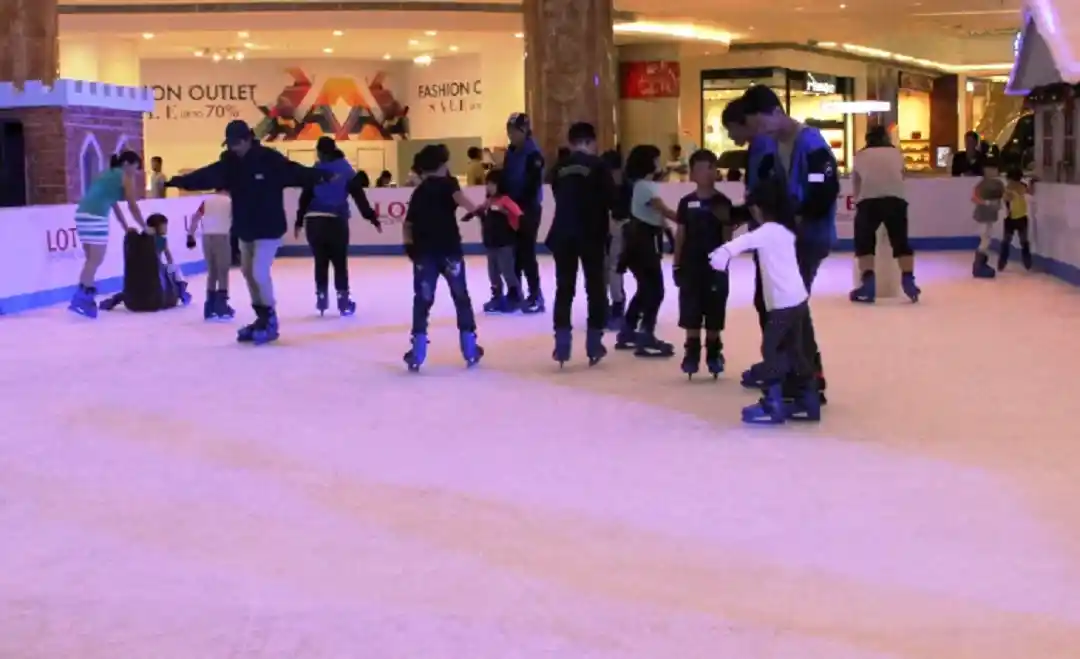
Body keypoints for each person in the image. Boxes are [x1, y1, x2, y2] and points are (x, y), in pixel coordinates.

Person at [166, 119, 331, 345]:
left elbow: (295, 172)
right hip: (245, 227)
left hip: (269, 226)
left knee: (259, 271)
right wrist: (182, 182)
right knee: (247, 271)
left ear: (247, 139)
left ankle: (271, 318)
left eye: (236, 143)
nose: (233, 148)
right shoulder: (230, 164)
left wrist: (320, 176)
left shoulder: (269, 160)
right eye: (230, 144)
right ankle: (261, 316)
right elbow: (208, 174)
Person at [741, 84, 838, 403]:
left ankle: (803, 376)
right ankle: (804, 374)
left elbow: (824, 187)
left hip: (810, 236)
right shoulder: (777, 146)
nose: (759, 133)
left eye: (760, 125)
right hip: (792, 236)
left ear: (776, 112)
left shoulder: (809, 142)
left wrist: (800, 216)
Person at [709, 178, 820, 424]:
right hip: (797, 300)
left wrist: (722, 254)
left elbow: (743, 242)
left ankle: (773, 402)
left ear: (758, 209)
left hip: (783, 304)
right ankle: (808, 399)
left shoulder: (768, 231)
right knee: (795, 350)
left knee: (771, 349)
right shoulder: (784, 230)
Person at [401, 144, 486, 371]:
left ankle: (418, 349)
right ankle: (469, 346)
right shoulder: (450, 184)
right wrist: (477, 211)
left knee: (422, 300)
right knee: (461, 297)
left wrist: (408, 246)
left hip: (424, 253)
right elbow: (461, 199)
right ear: (441, 165)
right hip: (450, 251)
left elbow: (408, 225)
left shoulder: (419, 192)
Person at [546, 122, 613, 366]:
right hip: (591, 233)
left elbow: (556, 191)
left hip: (563, 233)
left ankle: (562, 343)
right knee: (594, 287)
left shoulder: (559, 167)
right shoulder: (598, 165)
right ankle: (594, 343)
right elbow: (611, 197)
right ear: (590, 141)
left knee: (564, 287)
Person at [295, 136, 382, 317]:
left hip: (314, 221)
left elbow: (305, 197)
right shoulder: (346, 170)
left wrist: (298, 221)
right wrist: (371, 217)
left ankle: (321, 297)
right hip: (336, 221)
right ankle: (343, 302)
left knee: (320, 261)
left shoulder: (316, 170)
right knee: (339, 262)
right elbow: (359, 197)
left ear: (319, 151)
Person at [673, 149, 741, 379]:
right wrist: (676, 263)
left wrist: (724, 261)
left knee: (714, 309)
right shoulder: (686, 203)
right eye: (701, 168)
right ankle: (691, 351)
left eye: (710, 167)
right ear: (692, 173)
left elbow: (726, 235)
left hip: (715, 267)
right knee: (691, 308)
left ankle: (713, 351)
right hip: (691, 265)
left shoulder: (723, 202)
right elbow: (680, 234)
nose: (706, 173)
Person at [615, 144, 678, 358]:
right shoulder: (644, 186)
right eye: (657, 159)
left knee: (645, 288)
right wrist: (689, 217)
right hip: (642, 243)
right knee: (655, 290)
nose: (659, 163)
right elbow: (664, 211)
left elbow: (660, 216)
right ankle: (645, 335)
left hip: (640, 243)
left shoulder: (645, 185)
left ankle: (628, 331)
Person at [68, 150, 148, 318]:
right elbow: (132, 206)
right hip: (96, 215)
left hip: (82, 213)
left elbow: (113, 203)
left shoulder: (106, 174)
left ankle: (84, 296)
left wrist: (126, 227)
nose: (136, 172)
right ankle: (81, 298)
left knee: (91, 259)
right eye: (135, 167)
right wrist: (145, 227)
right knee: (96, 259)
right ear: (126, 164)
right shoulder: (126, 177)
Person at [849, 124, 921, 303]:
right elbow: (902, 176)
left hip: (869, 201)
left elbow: (856, 183)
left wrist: (859, 202)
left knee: (864, 242)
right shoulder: (896, 153)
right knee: (901, 241)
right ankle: (908, 278)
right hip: (896, 200)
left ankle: (868, 281)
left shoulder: (860, 155)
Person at [722, 96, 776, 333]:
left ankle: (782, 361)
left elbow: (763, 191)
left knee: (771, 301)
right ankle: (784, 360)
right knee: (767, 299)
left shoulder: (764, 145)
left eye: (730, 129)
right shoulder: (759, 146)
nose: (730, 136)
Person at [100, 213, 192, 311]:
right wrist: (171, 270)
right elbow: (169, 257)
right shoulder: (159, 240)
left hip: (147, 272)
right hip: (156, 271)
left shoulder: (144, 240)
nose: (166, 228)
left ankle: (115, 299)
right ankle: (182, 292)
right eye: (164, 226)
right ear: (156, 227)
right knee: (175, 271)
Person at [502, 112, 545, 313]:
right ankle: (514, 292)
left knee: (526, 252)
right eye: (508, 131)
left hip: (528, 208)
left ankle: (535, 294)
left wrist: (519, 208)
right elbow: (505, 176)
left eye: (514, 131)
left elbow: (532, 184)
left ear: (524, 130)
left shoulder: (533, 153)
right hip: (511, 206)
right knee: (512, 252)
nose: (510, 135)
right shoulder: (510, 151)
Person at [463, 169, 523, 313]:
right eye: (488, 184)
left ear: (500, 185)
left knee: (507, 271)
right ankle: (497, 296)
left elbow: (519, 215)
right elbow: (481, 211)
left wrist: (505, 213)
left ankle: (515, 297)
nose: (489, 187)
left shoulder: (506, 200)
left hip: (505, 243)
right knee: (493, 273)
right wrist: (473, 214)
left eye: (492, 184)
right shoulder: (489, 201)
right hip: (491, 243)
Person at [186, 189, 236, 320]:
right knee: (223, 271)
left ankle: (209, 306)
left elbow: (195, 217)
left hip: (207, 237)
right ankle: (222, 305)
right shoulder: (230, 202)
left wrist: (190, 234)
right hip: (222, 236)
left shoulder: (207, 201)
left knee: (212, 272)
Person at [601, 149, 630, 329]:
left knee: (614, 269)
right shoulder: (604, 185)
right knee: (604, 268)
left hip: (621, 229)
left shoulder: (627, 188)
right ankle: (606, 306)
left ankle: (618, 305)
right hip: (604, 230)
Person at [971, 161, 1005, 279]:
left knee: (987, 238)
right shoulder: (982, 185)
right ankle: (978, 265)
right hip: (983, 215)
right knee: (985, 239)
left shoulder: (998, 184)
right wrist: (987, 203)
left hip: (989, 215)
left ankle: (981, 263)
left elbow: (1001, 197)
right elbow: (974, 197)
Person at [999, 168, 1033, 271]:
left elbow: (1006, 199)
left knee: (1007, 242)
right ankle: (1027, 262)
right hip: (1019, 218)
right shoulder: (1020, 187)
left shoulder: (1010, 188)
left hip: (1012, 219)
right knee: (1022, 241)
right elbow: (1029, 191)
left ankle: (1002, 262)